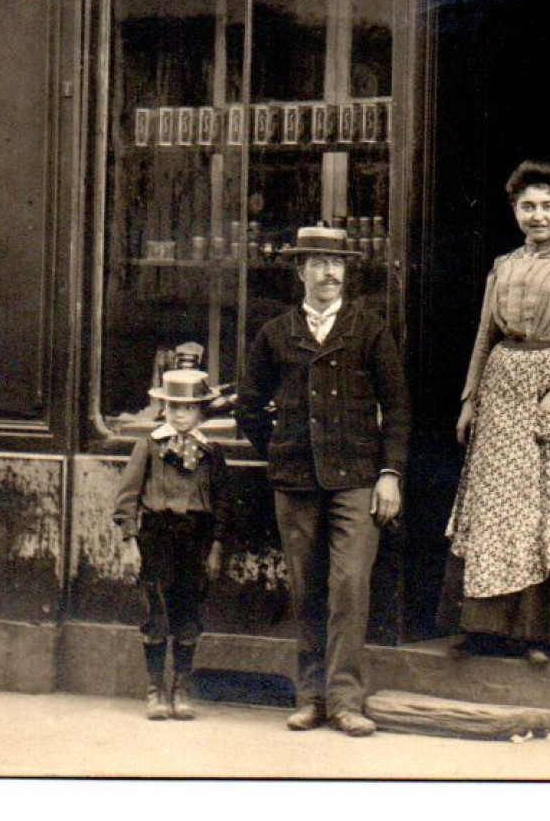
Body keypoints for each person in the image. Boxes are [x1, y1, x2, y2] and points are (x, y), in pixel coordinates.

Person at [237, 224, 409, 736]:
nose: (329, 272)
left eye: (337, 264)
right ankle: (310, 697)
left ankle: (346, 701)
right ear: (300, 272)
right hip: (296, 483)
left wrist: (389, 475)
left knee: (350, 587)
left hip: (357, 480)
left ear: (347, 272)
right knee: (307, 589)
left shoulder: (369, 330)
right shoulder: (275, 333)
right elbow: (248, 406)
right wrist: (281, 452)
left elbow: (397, 409)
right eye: (317, 263)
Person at [447, 160, 550, 663]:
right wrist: (470, 399)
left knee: (536, 507)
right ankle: (484, 627)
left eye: (547, 206)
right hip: (499, 387)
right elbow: (484, 336)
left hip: (547, 387)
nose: (538, 216)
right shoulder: (503, 265)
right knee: (490, 504)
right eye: (528, 206)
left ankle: (539, 632)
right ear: (514, 210)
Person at [114, 368, 236, 721]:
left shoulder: (211, 452)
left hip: (195, 540)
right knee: (155, 612)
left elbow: (222, 504)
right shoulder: (149, 446)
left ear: (200, 412)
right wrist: (130, 542)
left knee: (189, 614)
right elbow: (128, 497)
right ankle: (155, 690)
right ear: (164, 408)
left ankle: (181, 689)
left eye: (188, 408)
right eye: (173, 407)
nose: (180, 414)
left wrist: (215, 547)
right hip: (156, 537)